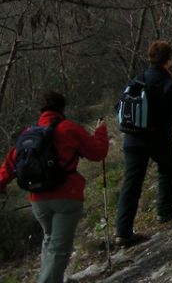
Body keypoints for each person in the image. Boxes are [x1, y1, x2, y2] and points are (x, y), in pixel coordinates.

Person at [0, 91, 108, 283]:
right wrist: (101, 132)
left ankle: (48, 278)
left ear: (41, 109)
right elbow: (98, 153)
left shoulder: (28, 134)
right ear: (62, 107)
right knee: (59, 248)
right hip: (67, 196)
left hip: (38, 199)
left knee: (50, 241)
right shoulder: (69, 128)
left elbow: (8, 167)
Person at [115, 39, 172, 248]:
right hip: (157, 137)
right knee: (168, 168)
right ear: (168, 61)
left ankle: (122, 233)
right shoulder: (168, 83)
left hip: (132, 138)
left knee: (131, 184)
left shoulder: (137, 79)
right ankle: (165, 210)